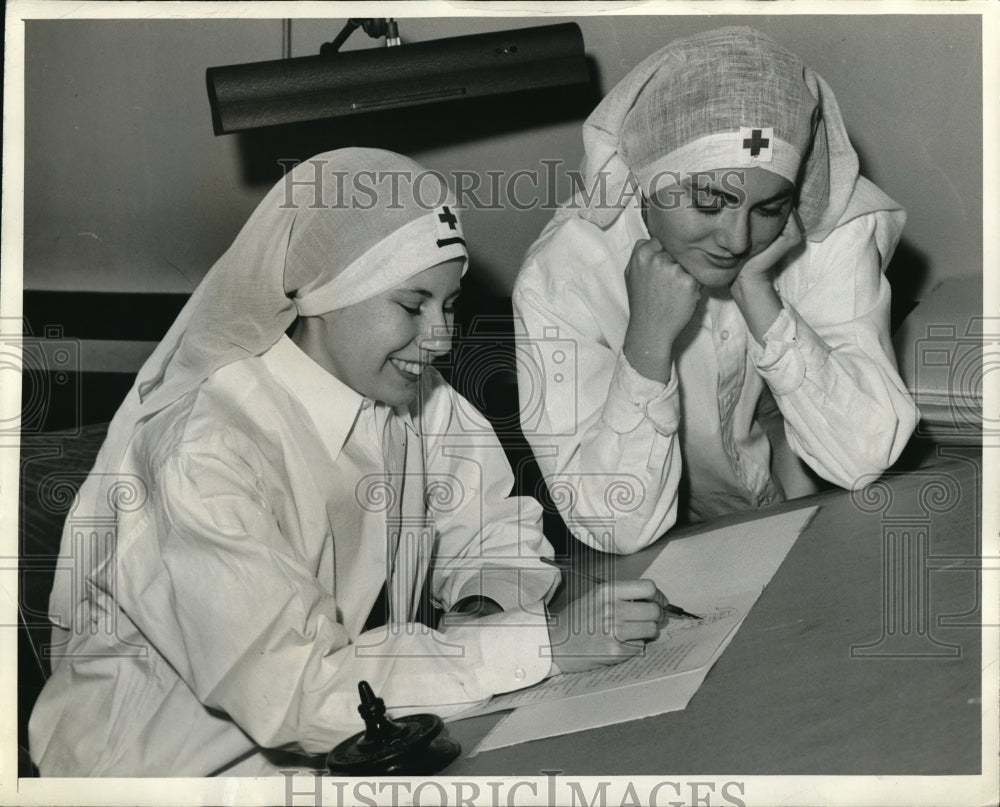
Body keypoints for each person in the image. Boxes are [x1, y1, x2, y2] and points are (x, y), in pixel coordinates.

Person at [29, 149, 667, 777]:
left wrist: (481, 609)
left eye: (449, 305)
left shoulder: (418, 401)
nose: (442, 338)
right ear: (324, 296)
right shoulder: (202, 455)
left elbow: (492, 527)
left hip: (319, 748)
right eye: (412, 305)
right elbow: (296, 687)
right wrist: (540, 644)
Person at [513, 27, 919, 555]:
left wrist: (759, 294)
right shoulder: (563, 278)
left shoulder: (830, 231)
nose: (736, 240)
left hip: (827, 519)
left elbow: (865, 455)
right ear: (646, 181)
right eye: (707, 204)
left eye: (769, 209)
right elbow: (617, 526)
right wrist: (647, 344)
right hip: (678, 548)